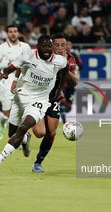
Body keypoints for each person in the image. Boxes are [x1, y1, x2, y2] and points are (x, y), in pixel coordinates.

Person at [0, 34, 69, 173]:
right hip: (21, 98)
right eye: (43, 46)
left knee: (24, 126)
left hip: (39, 101)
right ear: (37, 46)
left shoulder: (59, 60)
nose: (46, 49)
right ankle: (25, 139)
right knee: (12, 133)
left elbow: (65, 68)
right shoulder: (28, 55)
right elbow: (12, 66)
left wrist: (60, 89)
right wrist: (5, 73)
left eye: (49, 46)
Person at [31, 33, 78, 173]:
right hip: (38, 95)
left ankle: (37, 163)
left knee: (51, 133)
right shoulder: (43, 55)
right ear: (51, 46)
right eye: (56, 45)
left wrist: (65, 66)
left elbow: (75, 81)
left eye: (63, 45)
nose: (60, 48)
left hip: (53, 97)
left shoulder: (69, 57)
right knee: (40, 133)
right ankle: (25, 130)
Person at [0, 25, 31, 141]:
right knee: (6, 114)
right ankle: (3, 125)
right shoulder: (2, 48)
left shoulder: (25, 47)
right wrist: (9, 64)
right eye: (10, 32)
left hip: (22, 82)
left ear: (18, 33)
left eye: (15, 31)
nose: (13, 34)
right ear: (7, 34)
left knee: (23, 113)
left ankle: (20, 139)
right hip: (7, 82)